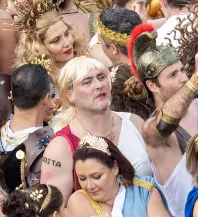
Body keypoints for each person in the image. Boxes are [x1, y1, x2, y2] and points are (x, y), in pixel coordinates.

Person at [41, 57, 150, 199]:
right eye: (87, 82)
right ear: (70, 95)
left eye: (101, 77)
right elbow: (54, 208)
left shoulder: (134, 123)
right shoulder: (61, 147)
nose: (98, 85)